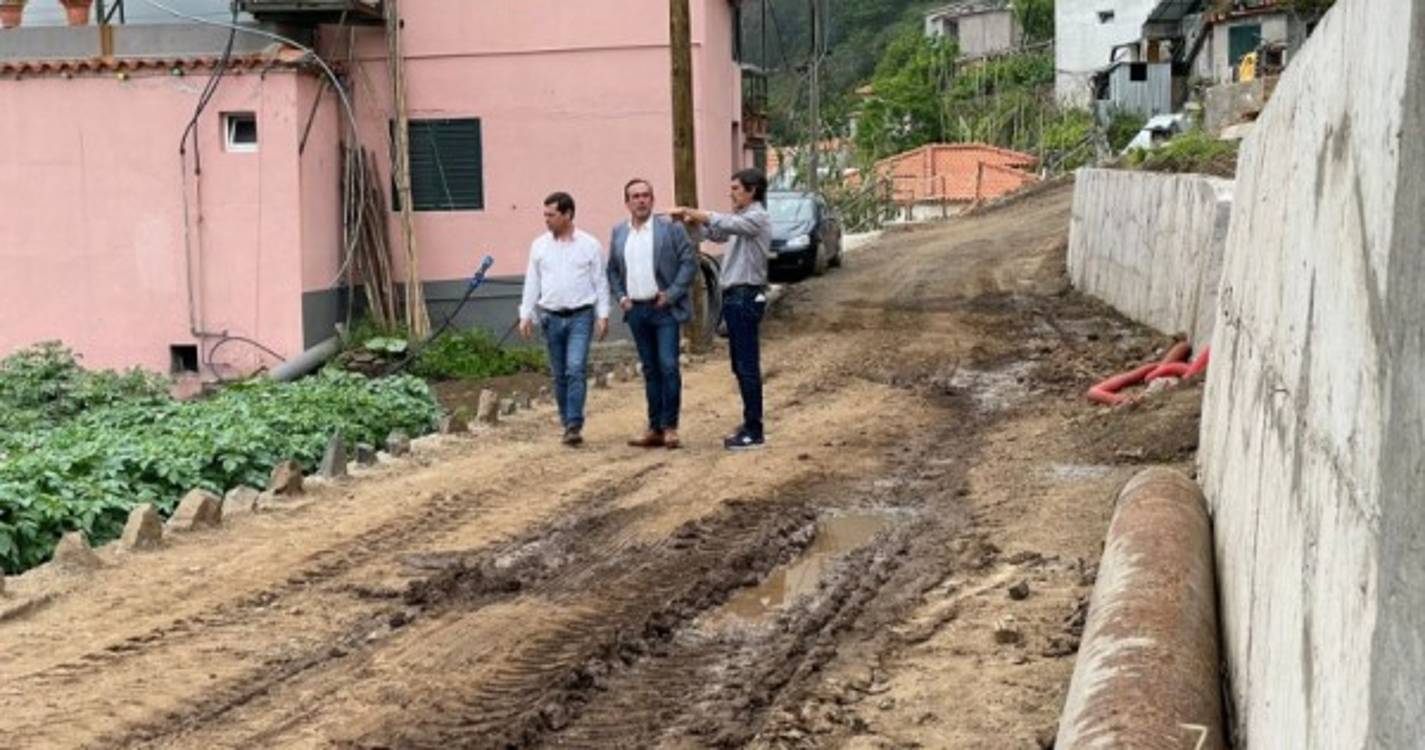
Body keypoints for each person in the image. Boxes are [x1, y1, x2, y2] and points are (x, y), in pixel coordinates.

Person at [669, 168, 773, 451]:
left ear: (752, 191)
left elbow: (720, 221)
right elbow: (715, 232)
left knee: (747, 367)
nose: (732, 193)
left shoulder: (756, 218)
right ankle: (750, 423)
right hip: (735, 298)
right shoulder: (742, 219)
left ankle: (755, 429)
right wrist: (691, 223)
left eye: (737, 188)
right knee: (740, 366)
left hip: (746, 297)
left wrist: (692, 210)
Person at [607, 179, 698, 450]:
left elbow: (689, 262)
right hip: (636, 310)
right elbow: (611, 269)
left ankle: (670, 427)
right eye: (635, 196)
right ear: (627, 202)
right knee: (650, 369)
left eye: (646, 195)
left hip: (664, 309)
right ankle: (654, 426)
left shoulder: (670, 229)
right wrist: (621, 297)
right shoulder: (619, 232)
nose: (641, 200)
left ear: (653, 199)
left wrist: (671, 294)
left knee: (668, 365)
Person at [518, 192, 611, 446]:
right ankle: (565, 420)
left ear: (568, 214)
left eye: (551, 215)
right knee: (559, 374)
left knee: (575, 369)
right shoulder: (539, 246)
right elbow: (532, 280)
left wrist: (603, 313)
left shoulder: (590, 245)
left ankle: (574, 423)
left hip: (581, 315)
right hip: (550, 316)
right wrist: (525, 313)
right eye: (545, 215)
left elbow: (600, 281)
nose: (546, 220)